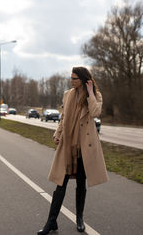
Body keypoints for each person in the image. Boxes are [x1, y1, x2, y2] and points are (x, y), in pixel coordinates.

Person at [37, 66, 109, 234]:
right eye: (71, 78)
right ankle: (51, 222)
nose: (71, 81)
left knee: (81, 184)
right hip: (68, 145)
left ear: (83, 80)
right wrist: (57, 133)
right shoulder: (68, 94)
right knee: (60, 184)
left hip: (84, 147)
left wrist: (90, 92)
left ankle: (79, 218)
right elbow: (63, 118)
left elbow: (95, 112)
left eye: (74, 78)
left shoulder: (95, 95)